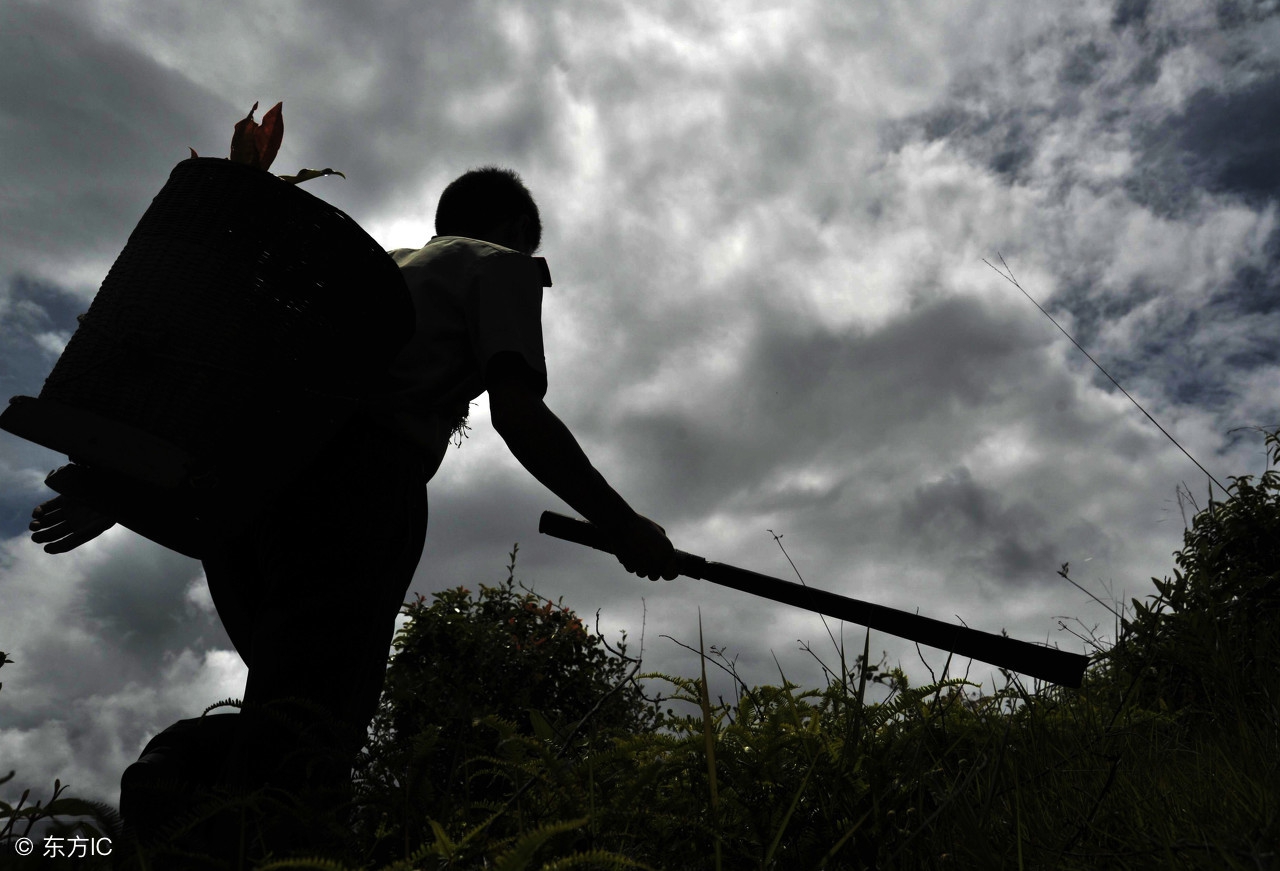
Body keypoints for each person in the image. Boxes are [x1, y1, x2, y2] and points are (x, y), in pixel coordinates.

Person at [28, 165, 677, 860]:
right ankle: (175, 784)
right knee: (311, 733)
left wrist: (128, 485)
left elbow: (236, 380)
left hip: (246, 495)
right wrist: (622, 524)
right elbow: (517, 413)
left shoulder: (371, 271)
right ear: (518, 230)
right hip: (356, 490)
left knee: (295, 709)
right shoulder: (501, 265)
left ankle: (178, 798)